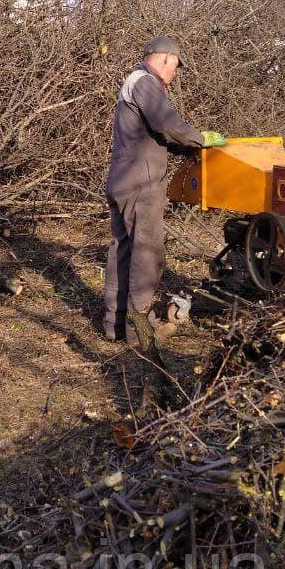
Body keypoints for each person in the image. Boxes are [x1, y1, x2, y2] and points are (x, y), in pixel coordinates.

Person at [103, 35, 225, 344]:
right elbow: (168, 125)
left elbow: (157, 134)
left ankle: (114, 323)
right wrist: (201, 140)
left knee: (124, 250)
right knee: (147, 253)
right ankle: (138, 328)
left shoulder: (134, 81)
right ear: (167, 59)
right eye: (176, 67)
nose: (175, 73)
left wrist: (185, 148)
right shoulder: (146, 82)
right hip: (140, 184)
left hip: (123, 179)